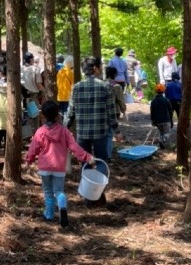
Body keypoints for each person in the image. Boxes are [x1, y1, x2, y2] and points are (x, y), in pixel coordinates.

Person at [26, 100, 95, 227]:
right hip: (59, 167)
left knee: (47, 191)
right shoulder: (64, 132)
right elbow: (75, 148)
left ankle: (49, 214)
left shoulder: (40, 131)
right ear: (58, 115)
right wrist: (87, 157)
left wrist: (29, 160)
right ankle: (62, 205)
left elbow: (33, 148)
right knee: (58, 191)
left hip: (45, 167)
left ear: (42, 115)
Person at [63, 55, 118, 206]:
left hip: (82, 134)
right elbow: (111, 113)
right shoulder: (106, 87)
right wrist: (117, 131)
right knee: (102, 162)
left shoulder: (77, 87)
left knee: (85, 163)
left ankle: (90, 195)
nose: (101, 70)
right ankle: (96, 194)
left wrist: (64, 128)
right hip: (101, 132)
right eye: (99, 67)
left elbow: (70, 112)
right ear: (95, 68)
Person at [104, 66, 126, 159]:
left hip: (101, 112)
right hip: (112, 111)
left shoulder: (102, 83)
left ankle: (103, 153)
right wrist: (124, 111)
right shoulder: (116, 86)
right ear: (115, 74)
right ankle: (107, 156)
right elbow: (120, 100)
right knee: (109, 134)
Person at [150, 82, 174, 148]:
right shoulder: (166, 100)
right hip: (166, 120)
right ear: (163, 91)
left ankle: (162, 146)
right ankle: (162, 141)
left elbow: (152, 112)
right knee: (167, 133)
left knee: (161, 133)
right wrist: (171, 121)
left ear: (156, 91)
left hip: (158, 121)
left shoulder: (153, 101)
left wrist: (153, 121)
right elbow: (170, 111)